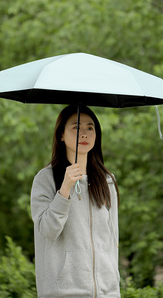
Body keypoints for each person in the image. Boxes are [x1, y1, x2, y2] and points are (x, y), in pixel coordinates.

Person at [31, 104, 120, 298]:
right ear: (61, 135)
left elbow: (113, 239)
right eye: (76, 127)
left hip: (107, 293)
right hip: (63, 292)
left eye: (90, 127)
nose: (85, 134)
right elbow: (48, 230)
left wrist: (114, 288)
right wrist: (65, 189)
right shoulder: (45, 179)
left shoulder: (107, 181)